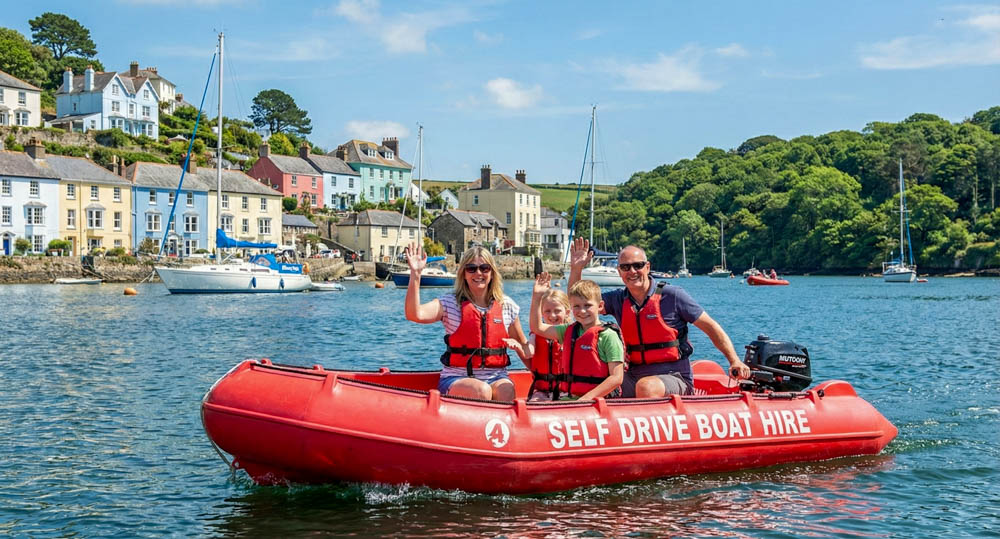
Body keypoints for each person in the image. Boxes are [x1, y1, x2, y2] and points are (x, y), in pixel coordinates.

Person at [568, 238, 751, 398]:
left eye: (637, 265)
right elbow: (579, 302)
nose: (632, 271)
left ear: (647, 267)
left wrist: (734, 360)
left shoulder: (673, 296)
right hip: (632, 374)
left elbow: (711, 327)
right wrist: (576, 269)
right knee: (597, 385)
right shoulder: (617, 299)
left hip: (675, 377)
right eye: (625, 267)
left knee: (646, 387)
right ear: (619, 271)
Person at [404, 242, 528, 401]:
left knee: (506, 390)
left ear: (492, 273)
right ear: (463, 273)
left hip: (497, 376)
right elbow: (414, 314)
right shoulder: (450, 303)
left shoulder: (507, 306)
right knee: (481, 391)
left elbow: (524, 348)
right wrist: (415, 274)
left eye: (484, 268)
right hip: (457, 378)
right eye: (471, 268)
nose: (478, 273)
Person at [529, 274, 625, 401]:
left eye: (588, 305)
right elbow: (537, 328)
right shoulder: (568, 331)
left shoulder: (608, 336)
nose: (582, 311)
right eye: (577, 306)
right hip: (571, 398)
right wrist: (537, 297)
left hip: (599, 401)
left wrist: (585, 400)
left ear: (600, 306)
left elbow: (617, 378)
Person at [506, 288, 572, 401]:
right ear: (541, 313)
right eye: (547, 311)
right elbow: (529, 353)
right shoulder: (536, 334)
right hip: (542, 390)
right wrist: (518, 348)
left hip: (565, 390)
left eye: (557, 311)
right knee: (534, 402)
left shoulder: (571, 333)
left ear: (567, 312)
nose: (552, 315)